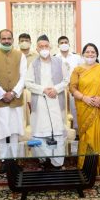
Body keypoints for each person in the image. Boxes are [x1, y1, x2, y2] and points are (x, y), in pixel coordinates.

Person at [25, 35, 69, 168]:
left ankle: (57, 163)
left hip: (55, 101)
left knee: (58, 134)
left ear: (50, 47)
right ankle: (44, 161)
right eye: (41, 46)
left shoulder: (59, 62)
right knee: (40, 133)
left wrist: (55, 89)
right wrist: (43, 89)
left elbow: (66, 80)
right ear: (37, 49)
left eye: (46, 46)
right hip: (40, 103)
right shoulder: (33, 64)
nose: (44, 48)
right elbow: (28, 83)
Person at [0, 29, 27, 174]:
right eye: (3, 38)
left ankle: (14, 160)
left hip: (15, 99)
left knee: (14, 131)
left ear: (12, 40)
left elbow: (24, 76)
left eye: (9, 38)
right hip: (0, 100)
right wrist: (1, 94)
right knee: (2, 131)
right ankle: (4, 161)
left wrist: (13, 93)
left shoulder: (20, 55)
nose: (6, 41)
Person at [69, 43, 100, 175]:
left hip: (99, 106)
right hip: (83, 106)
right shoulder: (77, 70)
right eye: (87, 52)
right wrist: (84, 98)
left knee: (99, 135)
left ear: (97, 54)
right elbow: (72, 88)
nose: (90, 54)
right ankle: (85, 165)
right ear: (83, 54)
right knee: (86, 136)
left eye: (93, 52)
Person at [55, 36, 83, 132]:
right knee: (61, 109)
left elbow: (82, 72)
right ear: (58, 45)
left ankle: (76, 131)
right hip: (60, 88)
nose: (64, 44)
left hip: (75, 88)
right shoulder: (54, 58)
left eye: (66, 42)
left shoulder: (77, 57)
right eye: (61, 42)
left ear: (69, 44)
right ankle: (62, 130)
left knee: (75, 109)